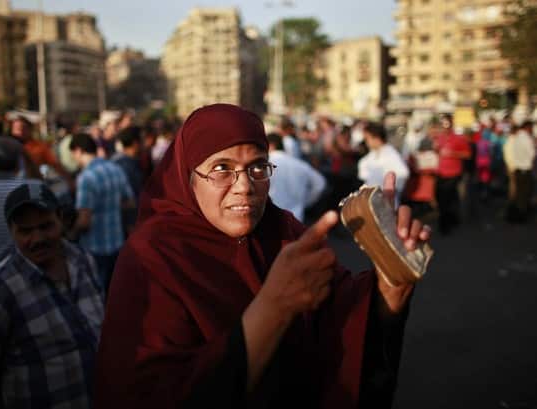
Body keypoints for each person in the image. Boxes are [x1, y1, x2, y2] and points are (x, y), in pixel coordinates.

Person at [95, 104, 431, 409]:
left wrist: (391, 280)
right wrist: (273, 309)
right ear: (188, 178)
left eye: (257, 168)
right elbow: (148, 392)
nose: (244, 186)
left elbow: (346, 322)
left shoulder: (284, 231)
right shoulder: (152, 255)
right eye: (222, 168)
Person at [0, 183, 104, 408]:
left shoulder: (83, 261)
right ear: (11, 230)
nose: (37, 239)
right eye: (25, 231)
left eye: (46, 226)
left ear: (61, 219)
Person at [69, 133, 134, 292]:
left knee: (98, 294)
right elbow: (130, 202)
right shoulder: (115, 169)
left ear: (78, 151)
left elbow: (84, 221)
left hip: (94, 249)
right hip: (117, 243)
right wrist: (110, 206)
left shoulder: (86, 178)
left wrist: (70, 235)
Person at [267, 132, 326, 223]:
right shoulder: (300, 164)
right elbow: (320, 183)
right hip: (296, 219)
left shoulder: (266, 164)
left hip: (271, 218)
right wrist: (306, 202)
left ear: (271, 145)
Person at [358, 122, 409, 205]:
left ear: (376, 138)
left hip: (386, 202)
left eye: (367, 139)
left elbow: (403, 174)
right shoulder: (371, 155)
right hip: (371, 200)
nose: (366, 142)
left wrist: (389, 191)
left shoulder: (391, 154)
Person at [503, 122, 535, 223]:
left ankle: (514, 215)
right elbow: (532, 154)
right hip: (524, 170)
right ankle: (520, 215)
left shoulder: (514, 139)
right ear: (528, 127)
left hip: (516, 169)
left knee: (517, 193)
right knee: (523, 194)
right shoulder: (526, 138)